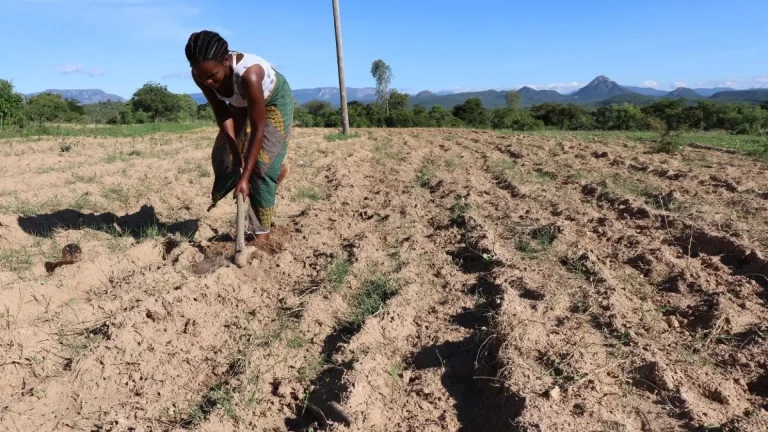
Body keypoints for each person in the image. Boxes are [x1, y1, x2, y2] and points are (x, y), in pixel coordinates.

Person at [185, 30, 292, 243]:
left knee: (260, 169)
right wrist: (234, 150)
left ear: (225, 61)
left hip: (271, 102)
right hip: (239, 105)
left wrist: (245, 177)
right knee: (224, 159)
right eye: (200, 76)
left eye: (212, 76)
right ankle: (269, 172)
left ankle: (261, 234)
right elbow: (220, 110)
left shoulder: (249, 75)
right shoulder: (201, 75)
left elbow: (258, 129)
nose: (207, 82)